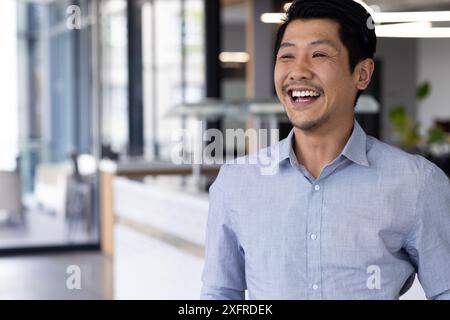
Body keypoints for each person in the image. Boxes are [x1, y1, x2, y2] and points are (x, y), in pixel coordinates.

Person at [201, 0, 450, 299]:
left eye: (318, 54)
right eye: (287, 56)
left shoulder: (417, 184)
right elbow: (220, 295)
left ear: (362, 74)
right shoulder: (236, 183)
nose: (298, 71)